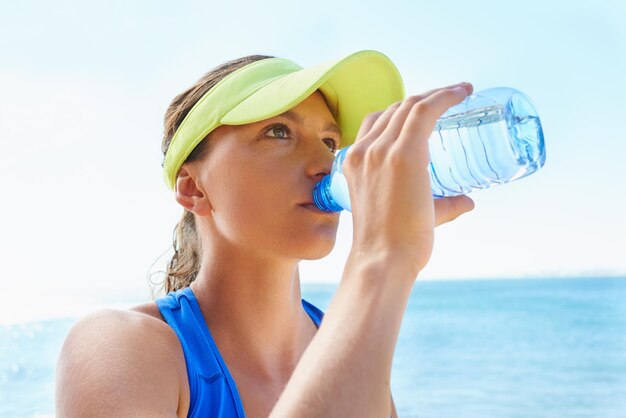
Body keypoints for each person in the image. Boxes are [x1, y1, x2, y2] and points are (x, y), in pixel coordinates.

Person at [55, 50, 474, 417]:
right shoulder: (121, 346)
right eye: (279, 132)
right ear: (193, 187)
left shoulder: (348, 345)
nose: (325, 164)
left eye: (330, 142)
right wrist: (382, 260)